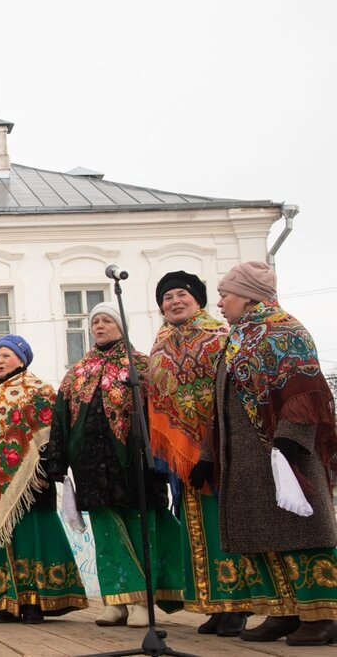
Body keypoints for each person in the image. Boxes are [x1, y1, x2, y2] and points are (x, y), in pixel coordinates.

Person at [206, 261, 337, 646]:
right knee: (262, 533)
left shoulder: (284, 330)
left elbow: (303, 386)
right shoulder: (239, 337)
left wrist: (290, 440)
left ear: (247, 295)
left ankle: (323, 612)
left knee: (300, 530)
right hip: (246, 455)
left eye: (225, 294)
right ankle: (284, 610)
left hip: (281, 451)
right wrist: (211, 453)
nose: (220, 302)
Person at [47, 303, 183, 628]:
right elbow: (61, 420)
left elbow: (159, 413)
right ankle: (116, 600)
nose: (100, 326)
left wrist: (162, 459)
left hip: (133, 464)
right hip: (91, 468)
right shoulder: (77, 373)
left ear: (121, 326)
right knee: (106, 533)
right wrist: (57, 461)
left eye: (107, 320)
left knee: (140, 529)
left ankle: (142, 600)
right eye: (95, 321)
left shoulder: (141, 366)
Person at [147, 271, 252, 636]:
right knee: (195, 529)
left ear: (198, 299)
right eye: (166, 297)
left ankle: (239, 603)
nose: (174, 302)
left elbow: (228, 395)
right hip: (181, 452)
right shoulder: (161, 343)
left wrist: (209, 448)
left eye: (181, 295)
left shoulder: (219, 337)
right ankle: (215, 603)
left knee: (224, 523)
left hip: (219, 450)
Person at [0, 335, 88, 624]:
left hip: (31, 484)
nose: (0, 361)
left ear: (22, 358)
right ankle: (4, 602)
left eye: (6, 355)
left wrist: (45, 470)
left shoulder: (39, 391)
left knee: (30, 539)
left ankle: (34, 602)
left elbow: (52, 434)